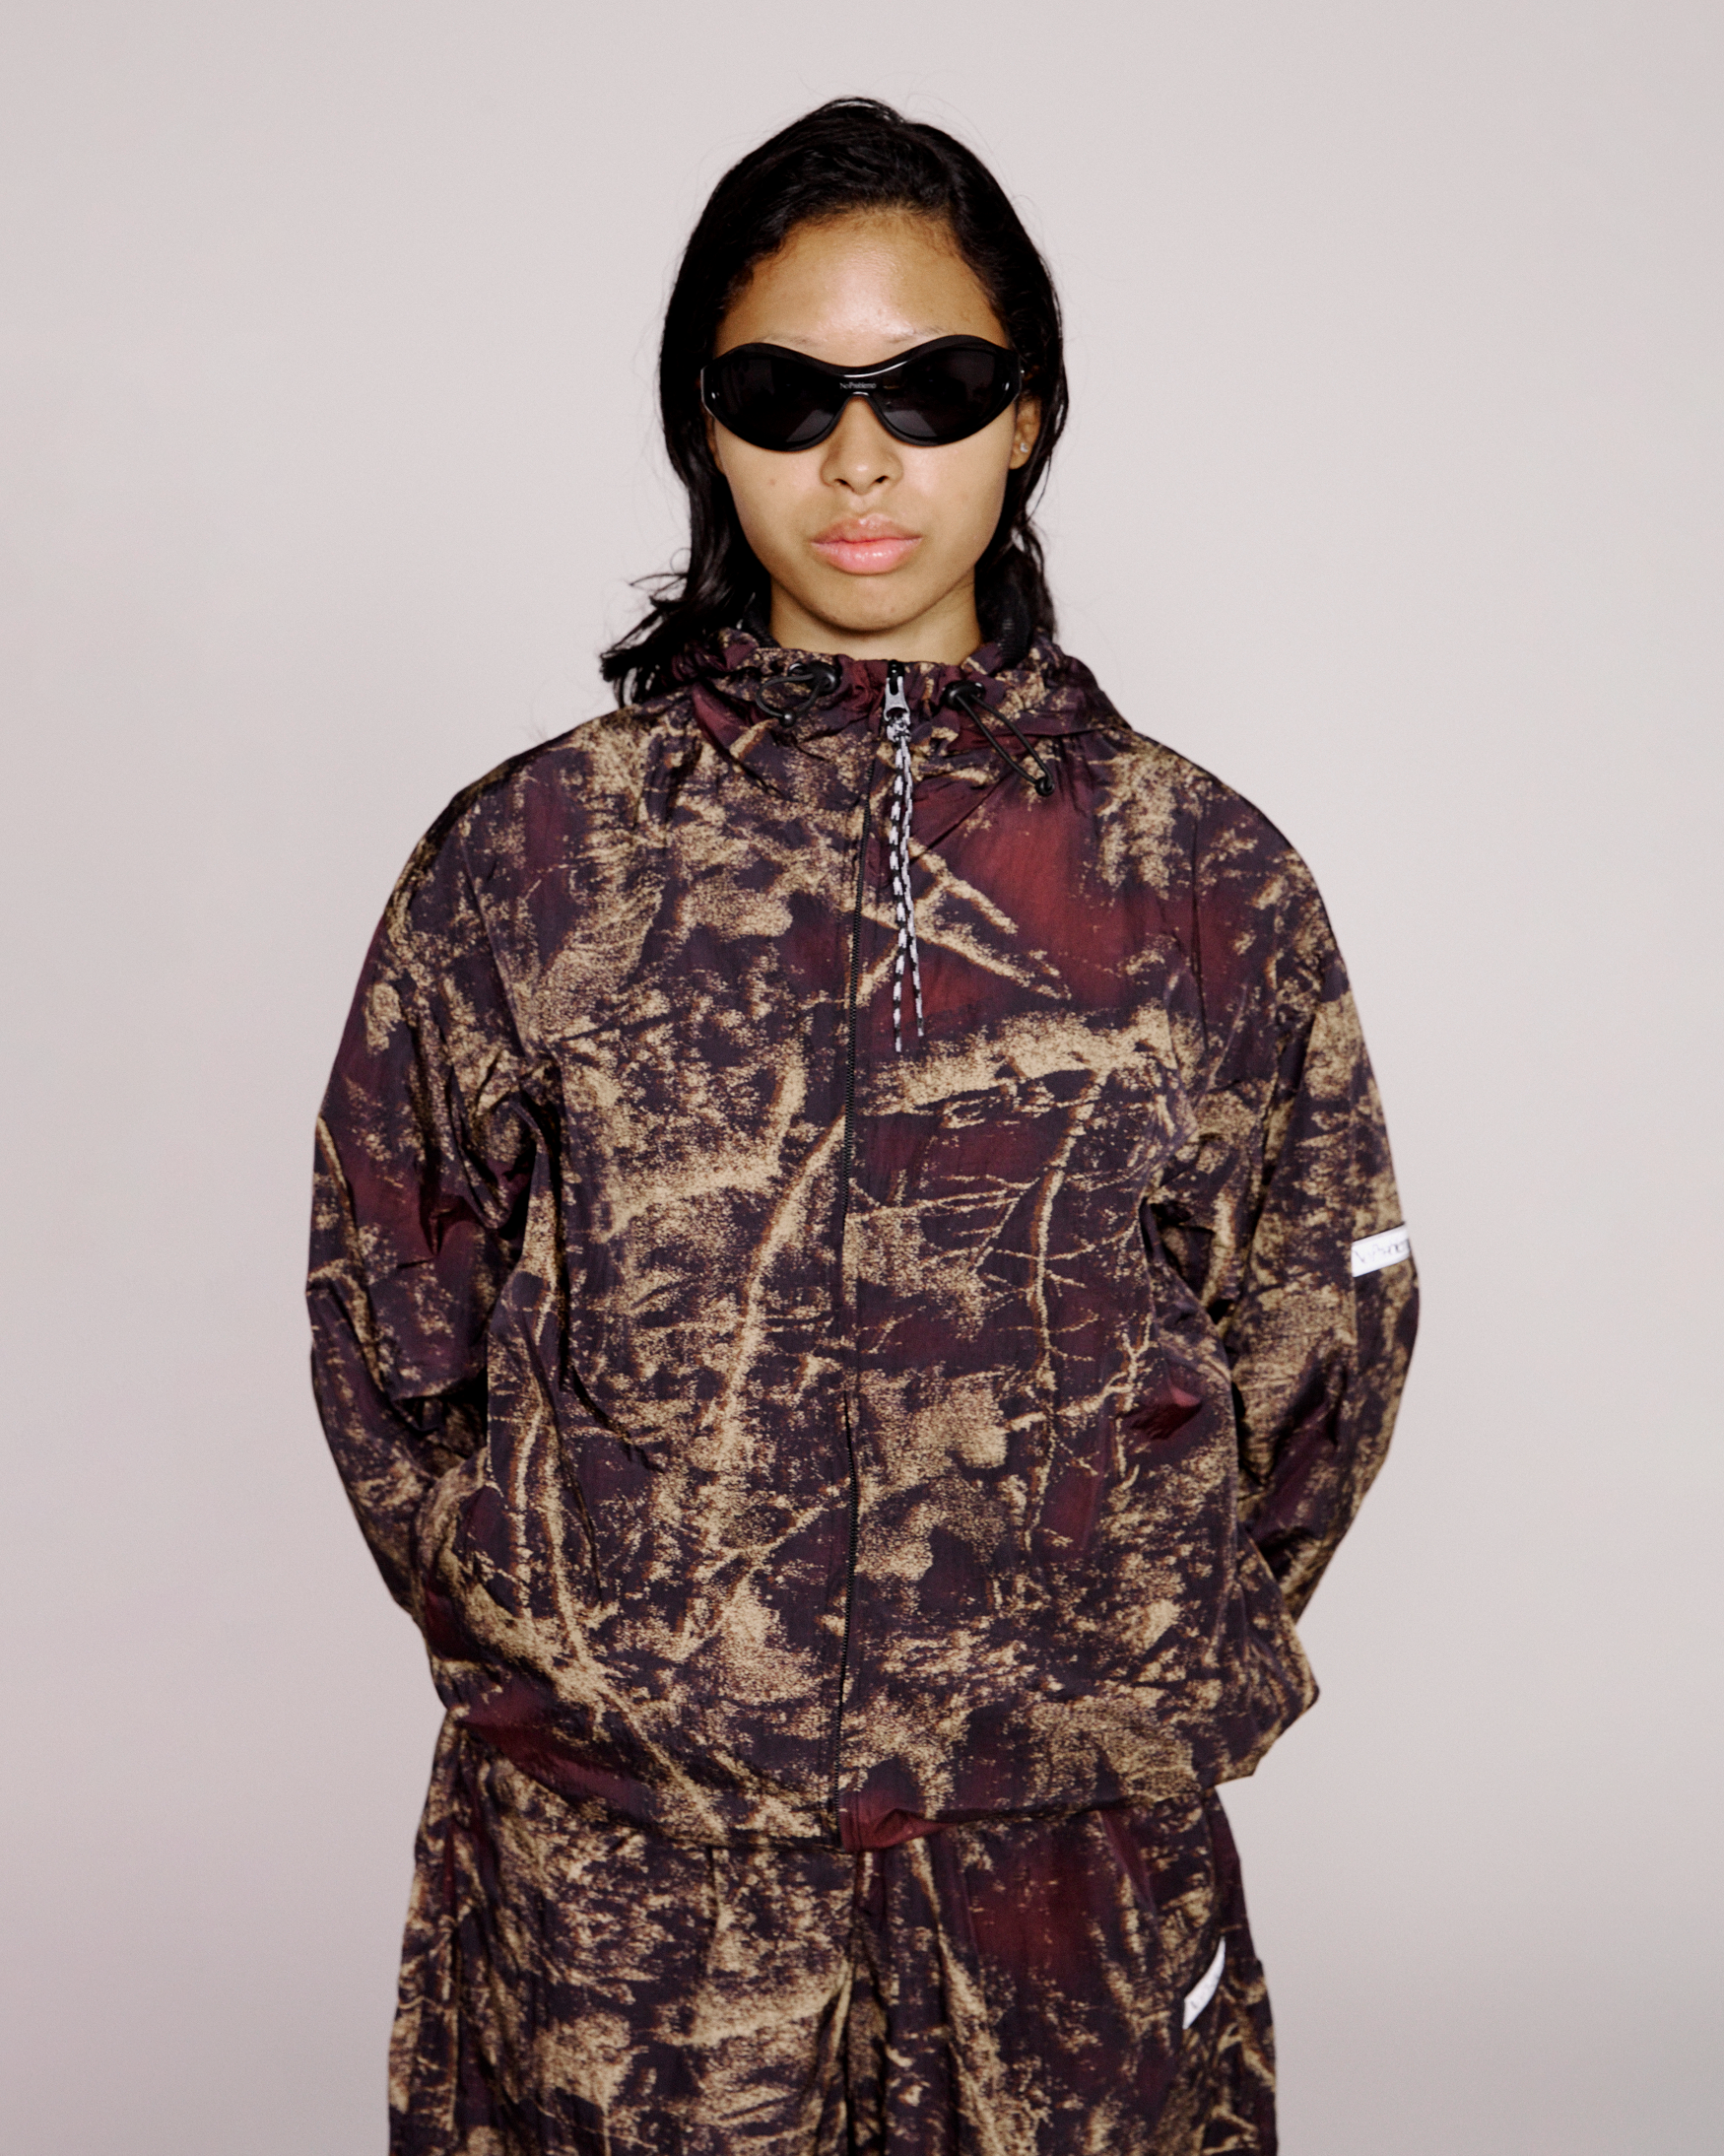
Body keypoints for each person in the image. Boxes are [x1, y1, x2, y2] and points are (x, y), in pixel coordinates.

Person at [307, 96, 1418, 2156]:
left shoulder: (1199, 878)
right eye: (784, 394)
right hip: (637, 1892)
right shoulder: (534, 862)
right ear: (702, 426)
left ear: (1026, 415)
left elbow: (1312, 1332)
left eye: (931, 388)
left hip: (1058, 1876)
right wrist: (586, 1644)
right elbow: (394, 1318)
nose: (858, 457)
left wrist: (1096, 1657)